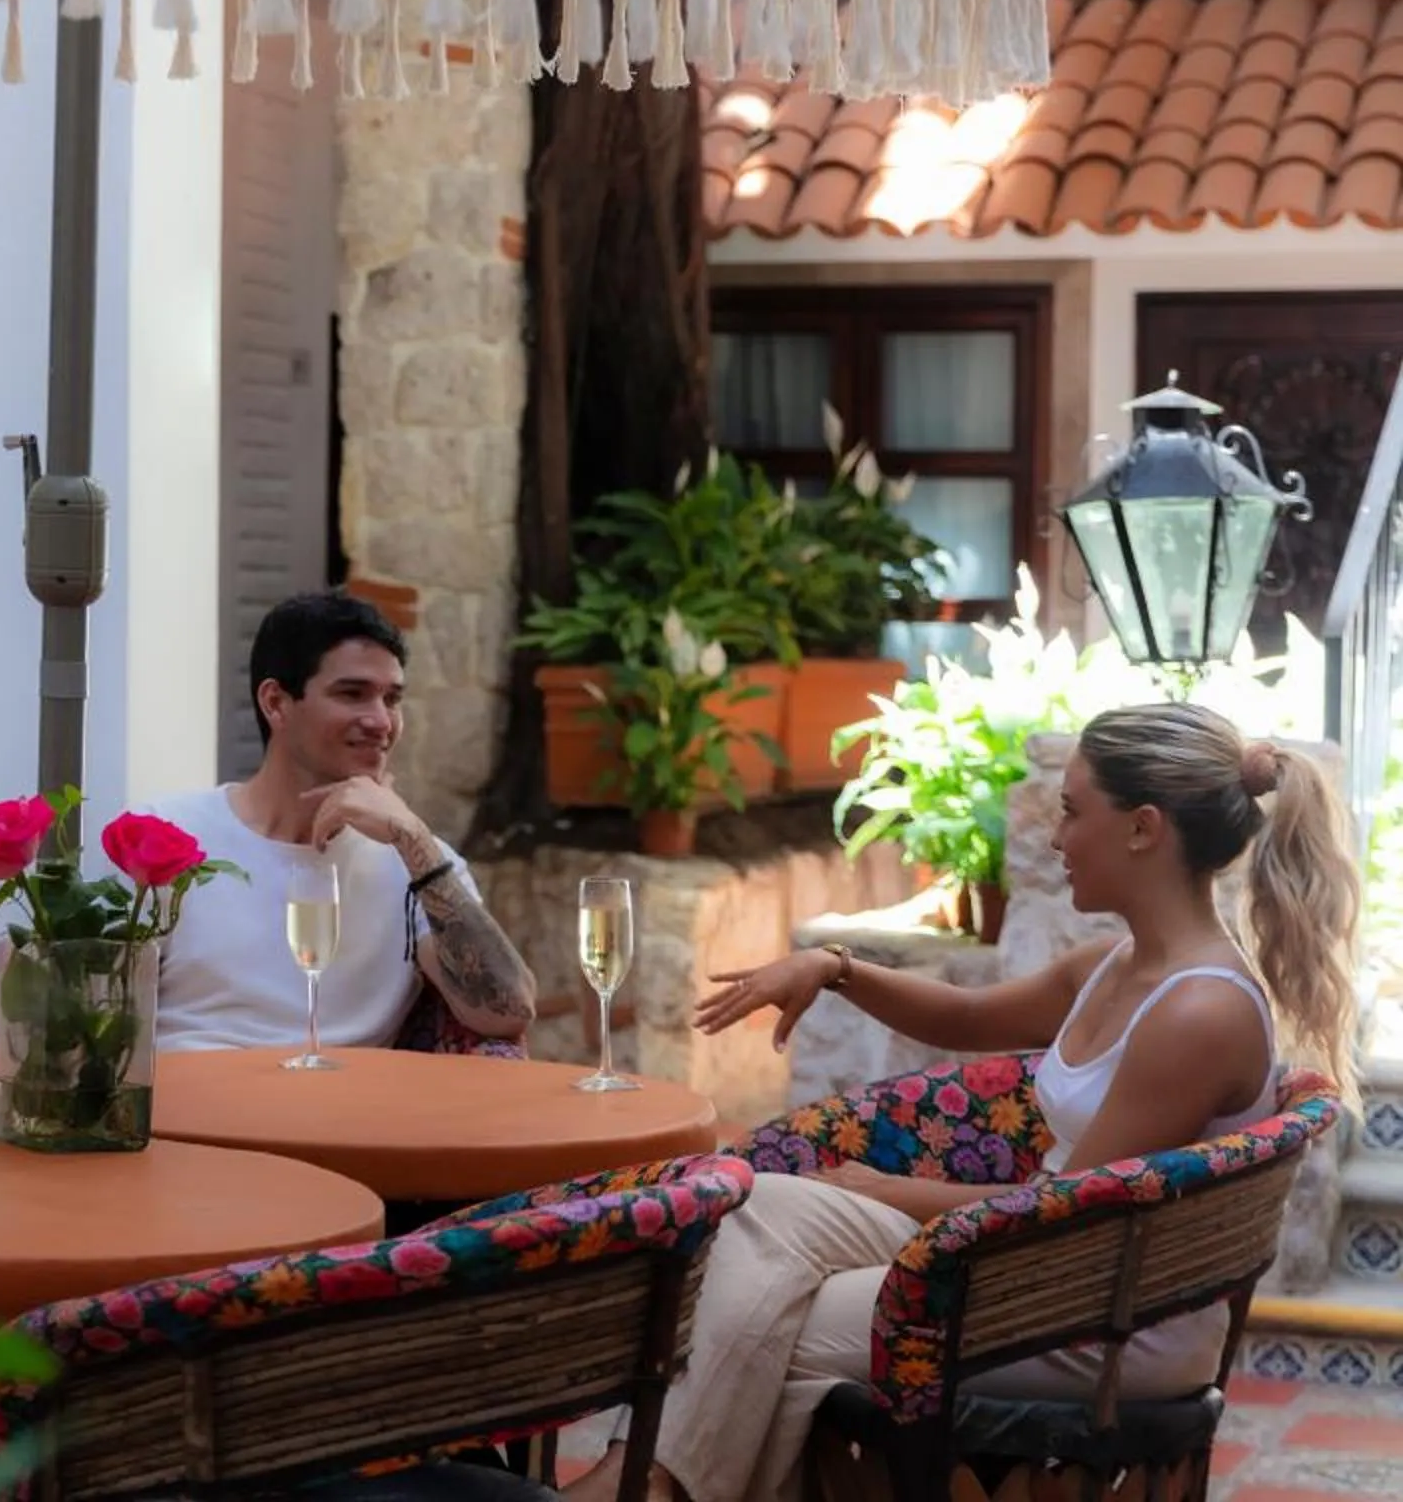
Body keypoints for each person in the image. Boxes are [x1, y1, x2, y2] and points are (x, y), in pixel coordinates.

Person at [563, 702, 1362, 1502]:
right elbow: (967, 1016)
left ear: (1143, 829)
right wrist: (834, 968)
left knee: (775, 1322)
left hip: (1104, 1307)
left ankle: (639, 1487)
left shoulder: (1199, 1014)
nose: (1055, 839)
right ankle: (645, 1484)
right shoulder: (1117, 966)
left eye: (1072, 812)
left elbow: (1070, 1214)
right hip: (1022, 1253)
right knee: (755, 1208)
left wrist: (889, 1192)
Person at [140, 589, 537, 1054]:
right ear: (276, 703)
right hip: (186, 1117)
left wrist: (413, 841)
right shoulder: (164, 837)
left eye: (392, 699)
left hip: (345, 1120)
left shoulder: (420, 866)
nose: (380, 721)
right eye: (353, 694)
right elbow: (98, 1026)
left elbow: (506, 1012)